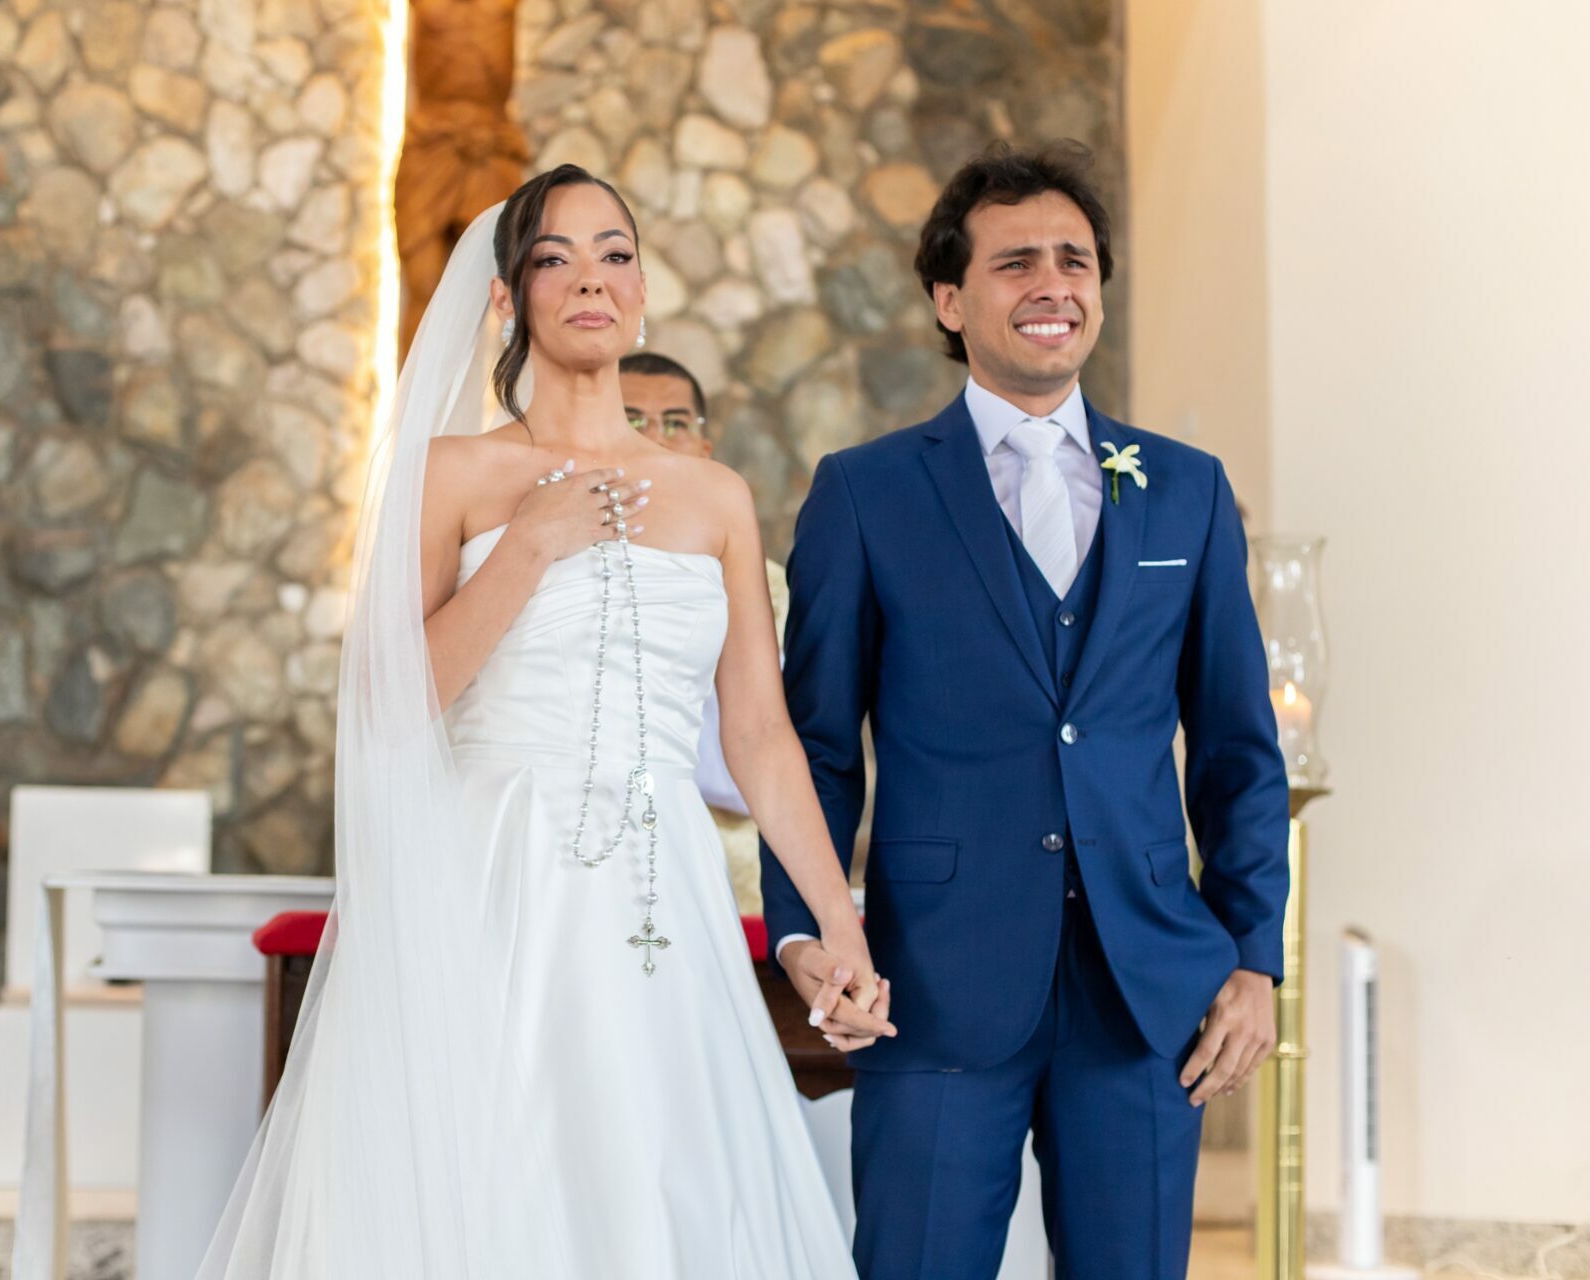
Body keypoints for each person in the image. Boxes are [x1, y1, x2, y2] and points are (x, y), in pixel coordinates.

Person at [196, 165, 888, 1279]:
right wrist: (527, 546)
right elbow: (387, 702)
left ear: (644, 289)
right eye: (554, 259)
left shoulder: (716, 498)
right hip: (490, 877)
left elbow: (761, 738)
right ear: (507, 297)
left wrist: (839, 926)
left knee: (660, 1176)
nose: (591, 280)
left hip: (663, 896)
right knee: (494, 1178)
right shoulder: (453, 474)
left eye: (615, 254)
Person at [762, 141, 1290, 1279]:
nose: (1053, 284)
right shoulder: (865, 492)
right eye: (1015, 263)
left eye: (1074, 260)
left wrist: (1256, 956)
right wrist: (807, 931)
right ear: (949, 300)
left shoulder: (1187, 489)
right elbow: (813, 747)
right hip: (931, 984)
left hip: (1146, 994)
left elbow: (1238, 749)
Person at [620, 351, 789, 913]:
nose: (655, 438)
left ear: (705, 447)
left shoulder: (768, 587)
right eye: (632, 420)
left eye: (675, 422)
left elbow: (764, 734)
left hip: (727, 846)